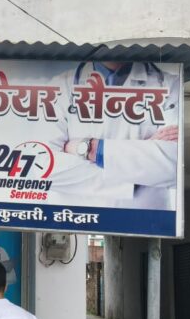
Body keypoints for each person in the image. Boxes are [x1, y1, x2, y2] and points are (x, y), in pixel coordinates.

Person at [48, 61, 180, 210]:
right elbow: (44, 166)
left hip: (144, 217)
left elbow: (173, 165)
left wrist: (90, 148)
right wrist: (141, 167)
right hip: (76, 216)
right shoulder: (60, 86)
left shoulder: (170, 85)